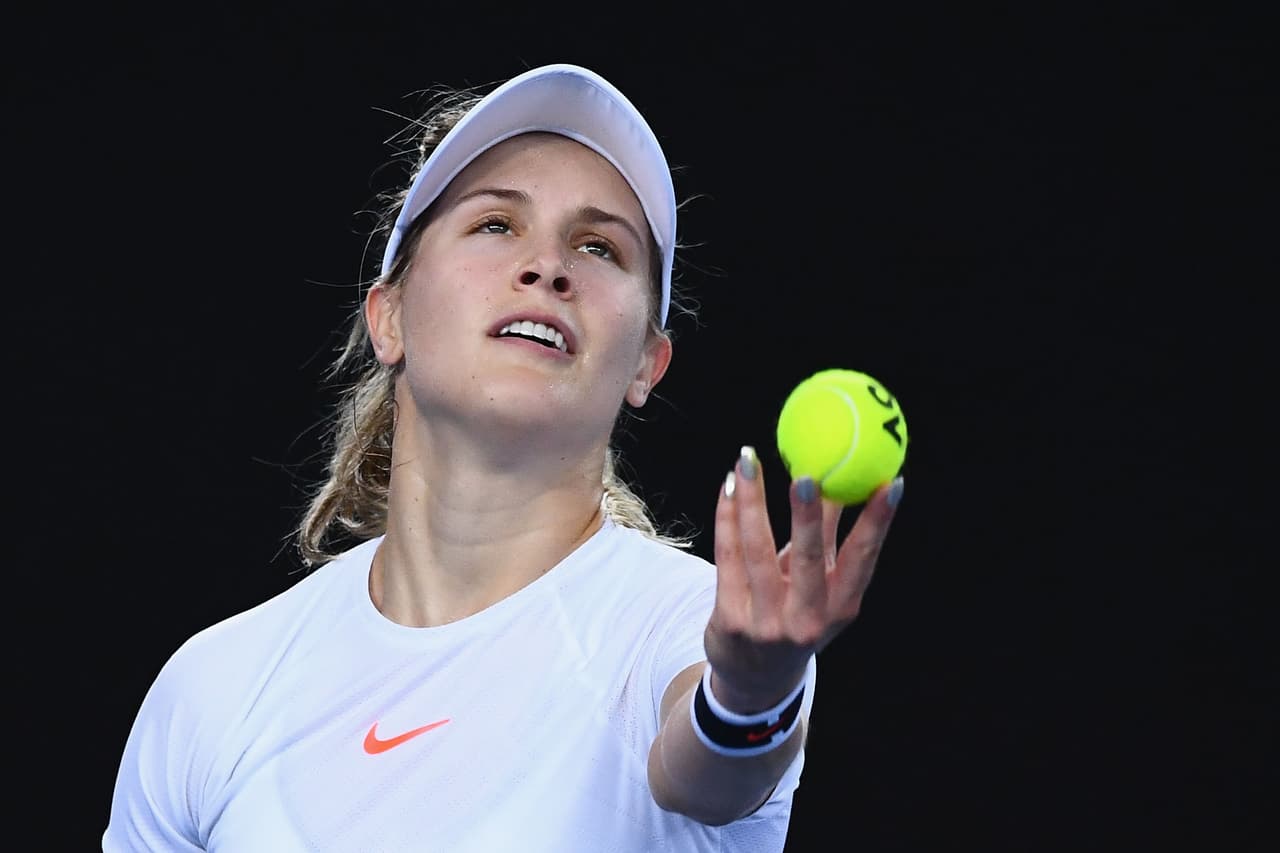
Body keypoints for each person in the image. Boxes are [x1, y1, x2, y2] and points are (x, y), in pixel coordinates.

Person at [102, 62, 905, 852]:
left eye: (599, 247)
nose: (547, 266)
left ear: (644, 366)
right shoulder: (213, 687)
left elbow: (710, 773)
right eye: (495, 224)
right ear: (389, 317)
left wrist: (752, 693)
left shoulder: (688, 624)